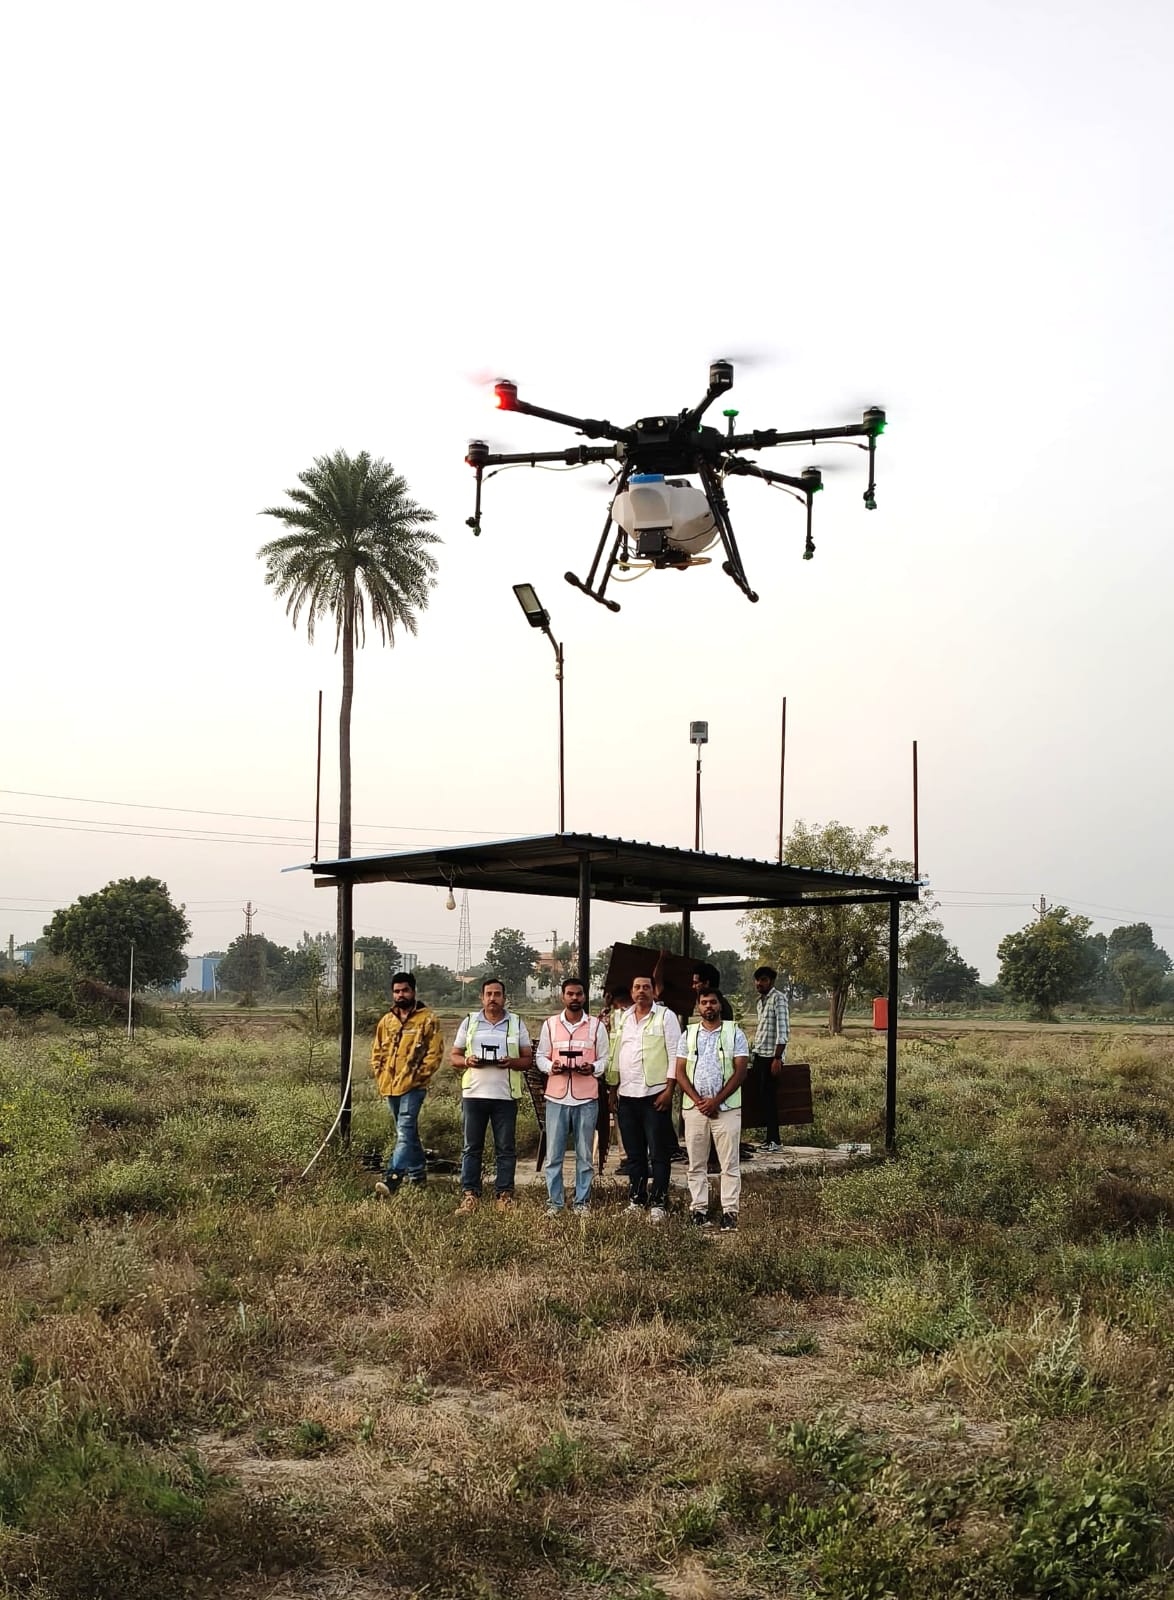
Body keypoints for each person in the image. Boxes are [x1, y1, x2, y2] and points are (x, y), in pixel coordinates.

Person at [451, 977, 533, 1214]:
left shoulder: (516, 1023)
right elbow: (454, 1056)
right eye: (488, 994)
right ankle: (470, 1196)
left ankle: (504, 1196)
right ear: (482, 997)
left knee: (505, 1148)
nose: (493, 998)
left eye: (497, 994)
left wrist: (512, 1062)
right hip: (474, 1094)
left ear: (504, 998)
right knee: (471, 1147)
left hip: (505, 1097)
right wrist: (467, 1061)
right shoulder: (470, 1022)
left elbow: (528, 1059)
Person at [604, 973, 682, 1223]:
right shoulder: (623, 1017)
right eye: (637, 987)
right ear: (631, 991)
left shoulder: (665, 1017)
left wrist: (669, 1090)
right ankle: (637, 1199)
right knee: (634, 1153)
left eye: (646, 987)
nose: (641, 991)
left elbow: (675, 1054)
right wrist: (613, 1089)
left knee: (658, 1152)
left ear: (653, 991)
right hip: (627, 1095)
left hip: (654, 1095)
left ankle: (659, 1201)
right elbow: (616, 1054)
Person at [675, 987, 749, 1231]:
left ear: (720, 1005)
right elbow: (680, 1072)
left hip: (726, 1108)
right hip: (695, 1109)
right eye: (704, 1002)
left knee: (729, 1163)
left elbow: (740, 1071)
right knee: (696, 1163)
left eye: (713, 1002)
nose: (709, 1006)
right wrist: (700, 1101)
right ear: (698, 1007)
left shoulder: (734, 1033)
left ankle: (730, 1212)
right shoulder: (688, 1034)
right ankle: (699, 1210)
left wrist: (715, 1101)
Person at [537, 976, 608, 1216]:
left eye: (578, 994)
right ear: (563, 996)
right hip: (557, 1097)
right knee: (553, 1155)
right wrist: (552, 1067)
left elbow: (605, 1058)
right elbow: (541, 1056)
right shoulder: (550, 1025)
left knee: (585, 1155)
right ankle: (555, 1203)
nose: (574, 998)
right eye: (570, 994)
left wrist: (593, 1068)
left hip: (586, 1098)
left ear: (585, 997)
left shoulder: (596, 1026)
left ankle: (582, 1202)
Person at [370, 971, 444, 1195]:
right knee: (408, 1132)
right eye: (396, 991)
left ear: (413, 991)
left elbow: (434, 1054)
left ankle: (392, 1178)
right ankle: (418, 1175)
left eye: (405, 990)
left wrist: (417, 1076)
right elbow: (377, 1051)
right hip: (389, 1085)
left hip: (413, 1087)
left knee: (404, 1130)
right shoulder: (387, 1021)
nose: (400, 995)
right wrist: (380, 1074)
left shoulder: (427, 1020)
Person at [749, 964, 790, 1153]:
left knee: (771, 1099)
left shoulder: (778, 999)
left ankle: (775, 1141)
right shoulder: (760, 1002)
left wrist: (778, 1057)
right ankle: (769, 1139)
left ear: (771, 981)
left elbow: (783, 1030)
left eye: (763, 980)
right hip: (760, 1054)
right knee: (762, 1099)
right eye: (757, 980)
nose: (759, 983)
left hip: (771, 1057)